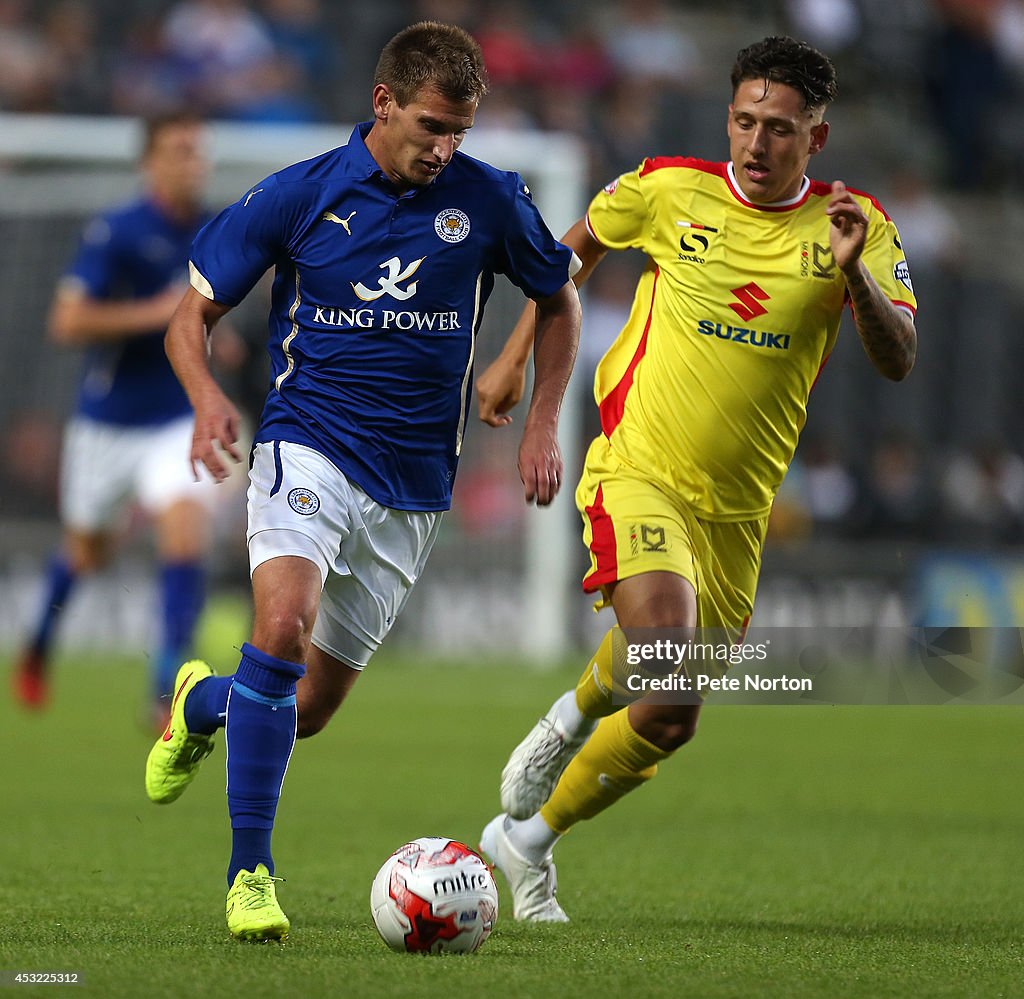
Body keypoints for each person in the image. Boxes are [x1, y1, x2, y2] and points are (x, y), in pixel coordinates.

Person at [143, 20, 581, 942]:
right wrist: (206, 396)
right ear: (383, 102)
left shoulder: (489, 198)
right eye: (430, 125)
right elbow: (192, 315)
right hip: (306, 444)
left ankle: (201, 702)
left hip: (415, 483)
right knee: (281, 626)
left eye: (459, 130)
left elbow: (559, 295)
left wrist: (542, 418)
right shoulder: (301, 193)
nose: (443, 147)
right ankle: (250, 873)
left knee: (304, 709)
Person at [475, 35, 917, 922]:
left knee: (672, 717)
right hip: (640, 465)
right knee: (668, 668)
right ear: (728, 117)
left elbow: (899, 357)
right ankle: (568, 720)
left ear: (815, 140)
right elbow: (570, 251)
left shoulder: (854, 223)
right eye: (745, 122)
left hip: (739, 512)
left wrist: (853, 280)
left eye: (780, 129)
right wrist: (518, 361)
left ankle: (524, 842)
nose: (757, 144)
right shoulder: (671, 188)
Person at [12, 113, 220, 726]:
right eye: (180, 150)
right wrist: (157, 314)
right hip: (108, 422)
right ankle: (38, 645)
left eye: (198, 151)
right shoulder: (117, 231)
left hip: (174, 418)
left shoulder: (213, 230)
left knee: (184, 530)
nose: (193, 162)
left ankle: (165, 690)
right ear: (149, 163)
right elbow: (67, 322)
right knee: (86, 552)